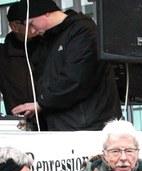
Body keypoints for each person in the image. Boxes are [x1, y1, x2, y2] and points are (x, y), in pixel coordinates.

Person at [10, 0, 121, 130]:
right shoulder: (48, 40)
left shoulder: (84, 32)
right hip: (69, 123)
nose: (32, 31)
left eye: (31, 24)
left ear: (46, 13)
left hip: (87, 125)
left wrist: (42, 104)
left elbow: (76, 78)